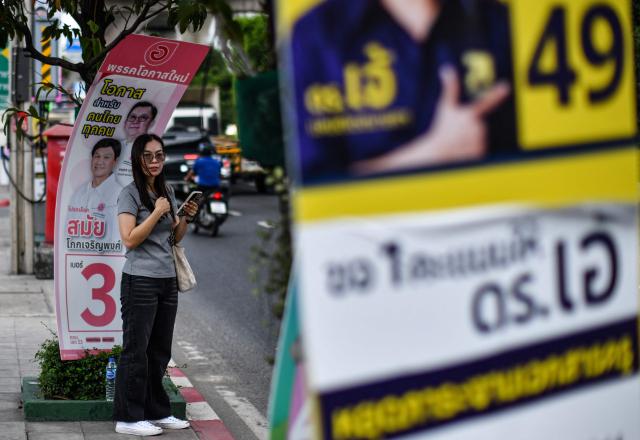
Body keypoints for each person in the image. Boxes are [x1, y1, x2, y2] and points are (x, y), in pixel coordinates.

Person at [290, 0, 517, 184]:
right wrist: (433, 154)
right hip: (369, 236)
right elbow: (313, 188)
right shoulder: (317, 36)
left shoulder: (499, 24)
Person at [113, 133, 198, 436]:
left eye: (159, 155)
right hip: (140, 281)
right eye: (148, 156)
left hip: (166, 280)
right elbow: (130, 238)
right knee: (136, 350)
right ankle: (128, 418)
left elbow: (173, 238)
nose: (154, 161)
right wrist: (158, 212)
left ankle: (156, 411)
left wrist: (184, 218)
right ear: (138, 159)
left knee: (159, 350)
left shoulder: (168, 190)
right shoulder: (130, 194)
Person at [66, 138, 123, 245]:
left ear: (115, 161)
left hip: (106, 259)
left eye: (106, 157)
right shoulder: (79, 193)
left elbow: (119, 238)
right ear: (92, 159)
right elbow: (67, 235)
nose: (100, 161)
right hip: (77, 256)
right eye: (97, 156)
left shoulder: (121, 194)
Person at [115, 101, 158, 186]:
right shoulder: (113, 146)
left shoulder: (151, 151)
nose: (136, 121)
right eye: (132, 117)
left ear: (151, 123)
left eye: (143, 118)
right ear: (125, 122)